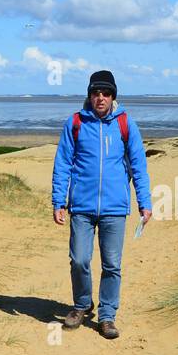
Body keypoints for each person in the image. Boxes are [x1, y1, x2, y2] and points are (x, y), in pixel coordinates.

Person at [50, 70, 153, 339]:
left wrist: (145, 202)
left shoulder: (126, 124)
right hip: (81, 207)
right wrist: (58, 201)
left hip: (115, 208)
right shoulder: (75, 123)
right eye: (96, 92)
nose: (100, 97)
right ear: (89, 95)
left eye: (106, 93)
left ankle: (107, 316)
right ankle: (82, 304)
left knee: (112, 265)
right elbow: (62, 164)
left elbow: (139, 166)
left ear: (113, 96)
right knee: (79, 259)